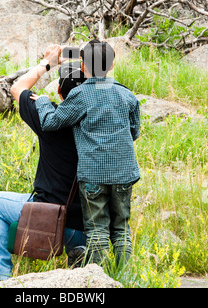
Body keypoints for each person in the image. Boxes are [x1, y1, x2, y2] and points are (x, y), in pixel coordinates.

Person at [0, 45, 87, 288]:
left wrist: (47, 63)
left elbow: (17, 88)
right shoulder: (100, 121)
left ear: (60, 93)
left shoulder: (49, 117)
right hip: (87, 224)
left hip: (50, 219)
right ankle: (80, 256)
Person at [31, 40, 141, 267]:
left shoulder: (80, 95)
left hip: (93, 175)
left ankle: (98, 280)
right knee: (121, 229)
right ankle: (125, 278)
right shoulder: (127, 95)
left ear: (82, 66)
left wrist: (42, 101)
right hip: (124, 173)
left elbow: (51, 123)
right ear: (111, 65)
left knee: (97, 230)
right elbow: (134, 132)